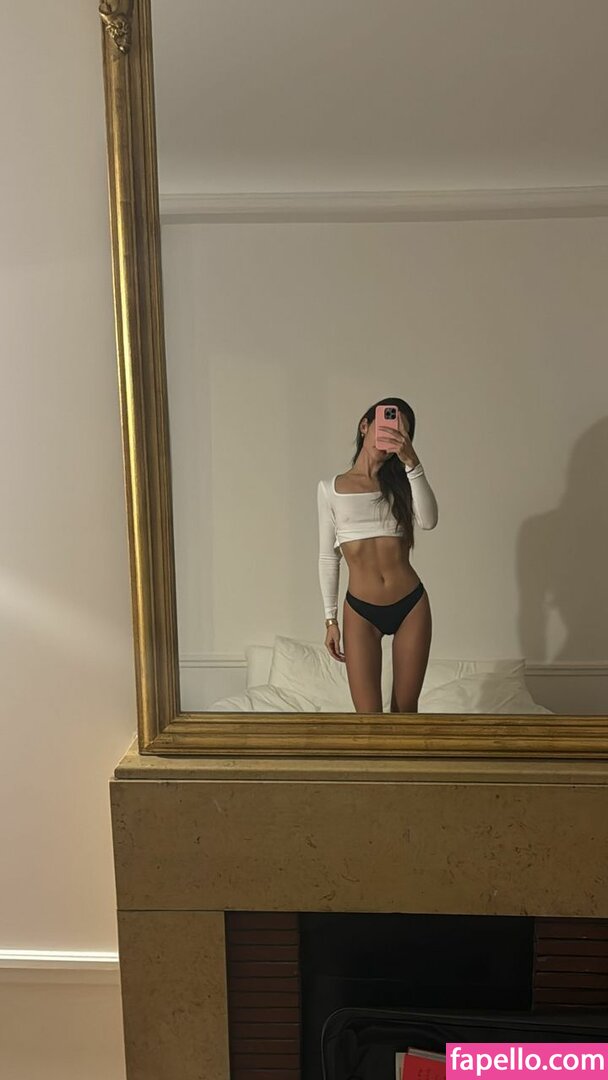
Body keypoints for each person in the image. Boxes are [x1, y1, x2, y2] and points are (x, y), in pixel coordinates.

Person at [317, 397, 438, 713]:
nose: (391, 436)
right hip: (361, 612)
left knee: (405, 711)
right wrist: (330, 620)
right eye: (386, 427)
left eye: (400, 432)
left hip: (410, 605)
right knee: (368, 718)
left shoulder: (403, 485)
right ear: (365, 426)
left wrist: (412, 463)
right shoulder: (330, 489)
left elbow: (429, 521)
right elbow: (328, 557)